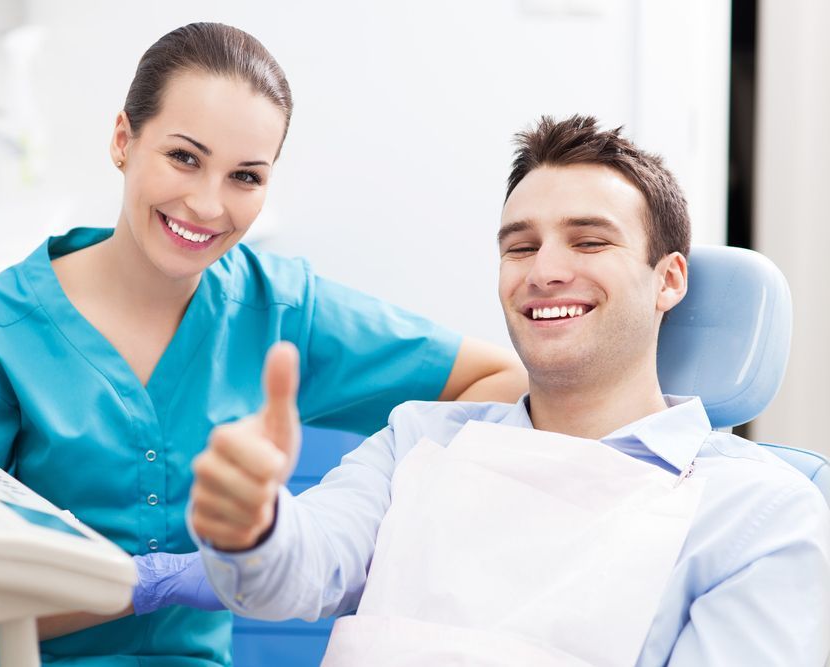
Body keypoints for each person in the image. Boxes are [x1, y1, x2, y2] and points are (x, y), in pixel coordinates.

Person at [0, 22, 526, 667]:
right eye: (184, 157)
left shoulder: (280, 309)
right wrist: (144, 586)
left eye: (245, 177)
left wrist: (336, 521)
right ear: (123, 140)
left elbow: (501, 383)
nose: (206, 204)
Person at [189, 116, 830, 666]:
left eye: (589, 241)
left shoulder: (757, 515)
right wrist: (253, 525)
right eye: (520, 247)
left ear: (668, 281)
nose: (546, 272)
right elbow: (295, 572)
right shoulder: (416, 440)